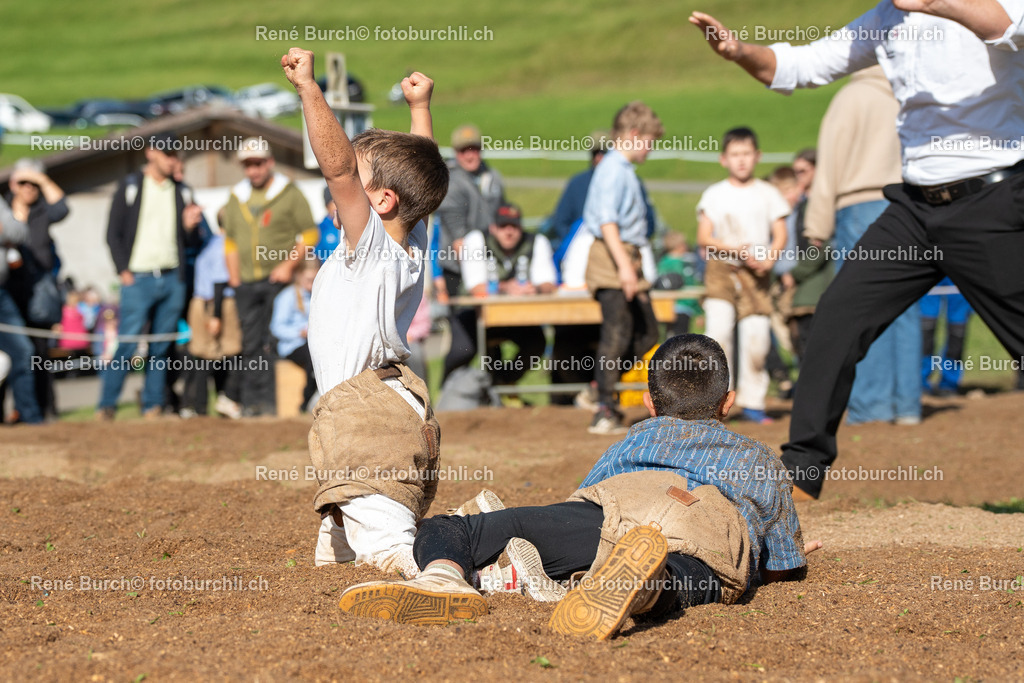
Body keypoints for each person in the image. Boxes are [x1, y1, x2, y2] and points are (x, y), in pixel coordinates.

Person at [691, 1, 1024, 499]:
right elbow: (799, 66)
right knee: (836, 317)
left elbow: (1012, 30)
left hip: (991, 202)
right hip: (913, 209)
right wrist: (740, 51)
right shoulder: (884, 19)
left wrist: (937, 4)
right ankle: (800, 474)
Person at [337, 334, 821, 637]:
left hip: (614, 508)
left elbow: (585, 500)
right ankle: (652, 585)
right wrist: (777, 556)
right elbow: (779, 568)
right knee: (688, 575)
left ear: (651, 405)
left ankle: (442, 574)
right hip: (705, 526)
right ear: (728, 402)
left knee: (454, 526)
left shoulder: (633, 440)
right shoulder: (758, 461)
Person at [280, 48, 449, 577]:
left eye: (360, 175)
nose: (347, 178)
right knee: (336, 560)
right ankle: (352, 530)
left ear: (381, 202)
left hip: (366, 420)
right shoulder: (410, 240)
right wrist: (419, 109)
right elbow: (423, 177)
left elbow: (336, 169)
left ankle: (500, 567)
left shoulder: (372, 245)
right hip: (380, 407)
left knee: (399, 560)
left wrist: (309, 90)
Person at [805, 65, 921, 427]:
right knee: (905, 307)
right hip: (910, 205)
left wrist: (817, 222)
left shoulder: (850, 97)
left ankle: (872, 406)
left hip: (859, 207)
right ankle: (907, 406)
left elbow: (829, 164)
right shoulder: (909, 97)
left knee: (862, 307)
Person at [96, 132, 203, 420]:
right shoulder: (130, 187)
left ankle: (152, 405)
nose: (172, 159)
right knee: (127, 344)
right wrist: (124, 271)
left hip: (172, 279)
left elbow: (191, 243)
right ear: (150, 153)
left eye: (175, 154)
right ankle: (106, 405)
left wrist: (190, 228)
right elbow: (113, 234)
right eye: (167, 153)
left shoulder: (183, 191)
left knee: (161, 346)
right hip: (138, 279)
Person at [696, 127, 789, 424]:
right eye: (735, 154)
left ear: (757, 156)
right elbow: (704, 237)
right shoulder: (715, 194)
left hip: (756, 276)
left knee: (757, 340)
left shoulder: (768, 194)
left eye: (747, 154)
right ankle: (714, 402)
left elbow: (780, 234)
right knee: (718, 335)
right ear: (724, 159)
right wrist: (734, 249)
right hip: (721, 272)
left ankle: (753, 402)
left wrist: (768, 260)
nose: (741, 161)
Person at [220, 137, 319, 416]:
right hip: (246, 283)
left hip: (278, 280)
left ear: (270, 163)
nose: (254, 170)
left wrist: (289, 265)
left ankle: (276, 404)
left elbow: (310, 234)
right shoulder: (236, 197)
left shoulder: (289, 193)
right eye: (248, 165)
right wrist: (234, 277)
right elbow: (229, 241)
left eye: (258, 163)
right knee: (250, 344)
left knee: (271, 341)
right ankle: (253, 404)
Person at [584, 101, 664, 435]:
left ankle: (597, 386)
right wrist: (625, 269)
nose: (651, 149)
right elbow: (607, 223)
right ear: (634, 135)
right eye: (649, 141)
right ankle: (604, 407)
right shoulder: (613, 170)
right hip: (611, 256)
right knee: (615, 333)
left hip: (628, 255)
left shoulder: (626, 171)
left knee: (648, 332)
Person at [443, 202, 557, 389]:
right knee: (461, 352)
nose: (509, 232)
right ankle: (443, 396)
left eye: (514, 226)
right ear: (493, 227)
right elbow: (476, 288)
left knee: (537, 344)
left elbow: (549, 284)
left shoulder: (536, 242)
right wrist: (506, 288)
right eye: (503, 226)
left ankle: (504, 384)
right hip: (475, 314)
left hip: (519, 317)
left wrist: (534, 289)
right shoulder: (477, 240)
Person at [4, 159, 70, 419]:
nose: (29, 187)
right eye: (23, 182)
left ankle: (43, 408)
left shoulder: (43, 210)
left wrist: (41, 178)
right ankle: (12, 411)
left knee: (39, 352)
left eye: (34, 183)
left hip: (38, 291)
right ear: (13, 183)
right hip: (8, 290)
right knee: (11, 352)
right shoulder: (3, 209)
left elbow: (63, 207)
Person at [434, 124, 506, 301]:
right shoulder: (450, 178)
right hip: (457, 260)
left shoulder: (492, 176)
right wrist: (460, 240)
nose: (470, 155)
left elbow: (501, 210)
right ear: (456, 152)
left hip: (490, 258)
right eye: (464, 150)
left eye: (474, 149)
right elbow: (452, 216)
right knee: (463, 313)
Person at [181, 231, 243, 419]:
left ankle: (197, 406)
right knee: (228, 352)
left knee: (201, 356)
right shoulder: (223, 245)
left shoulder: (208, 243)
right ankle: (223, 401)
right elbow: (219, 281)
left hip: (201, 301)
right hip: (217, 303)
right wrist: (216, 315)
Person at [0, 197, 43, 424]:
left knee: (23, 352)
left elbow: (19, 232)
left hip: (1, 294)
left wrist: (5, 230)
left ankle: (30, 418)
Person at [270, 256, 320, 409]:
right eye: (308, 280)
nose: (311, 285)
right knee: (313, 353)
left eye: (314, 280)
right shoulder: (286, 297)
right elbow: (276, 327)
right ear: (298, 275)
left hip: (316, 343)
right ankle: (308, 399)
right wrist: (300, 332)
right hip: (293, 346)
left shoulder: (320, 295)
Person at [919, 277, 973, 396]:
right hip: (928, 266)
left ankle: (948, 384)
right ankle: (920, 381)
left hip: (961, 269)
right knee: (925, 326)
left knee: (957, 328)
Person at [655, 231, 702, 337]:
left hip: (665, 306)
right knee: (682, 341)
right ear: (680, 246)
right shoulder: (684, 265)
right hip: (683, 305)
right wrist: (698, 311)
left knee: (669, 340)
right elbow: (690, 286)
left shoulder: (661, 263)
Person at [313, 186, 340, 263]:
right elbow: (315, 256)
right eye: (334, 202)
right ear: (327, 206)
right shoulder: (320, 228)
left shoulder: (351, 224)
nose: (338, 205)